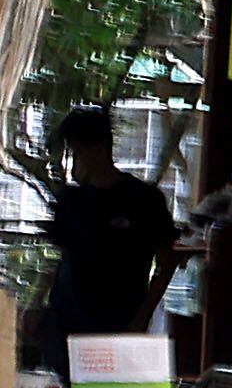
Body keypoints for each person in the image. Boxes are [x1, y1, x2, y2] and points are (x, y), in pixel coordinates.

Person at [30, 105, 176, 361]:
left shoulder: (144, 200)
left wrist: (141, 320)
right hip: (65, 322)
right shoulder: (70, 200)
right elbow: (57, 259)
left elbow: (166, 263)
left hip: (117, 322)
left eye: (77, 151)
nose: (74, 159)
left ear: (99, 147)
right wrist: (36, 305)